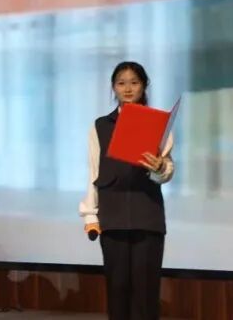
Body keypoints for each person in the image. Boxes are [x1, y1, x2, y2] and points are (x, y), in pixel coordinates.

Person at [79, 61, 175, 320]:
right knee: (117, 288)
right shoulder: (101, 126)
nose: (128, 88)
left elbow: (166, 171)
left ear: (144, 86)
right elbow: (94, 171)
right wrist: (90, 215)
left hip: (147, 215)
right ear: (114, 87)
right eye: (121, 83)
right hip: (113, 215)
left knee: (146, 291)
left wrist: (159, 167)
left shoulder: (158, 122)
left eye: (134, 82)